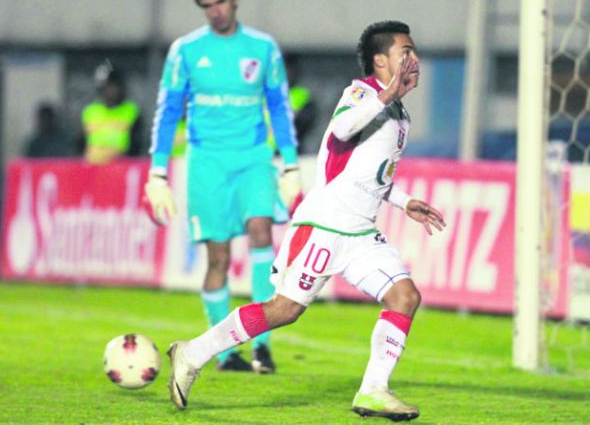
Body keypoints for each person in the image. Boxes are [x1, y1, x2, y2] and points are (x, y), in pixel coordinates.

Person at [165, 21, 445, 421]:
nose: (414, 59)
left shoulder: (399, 112)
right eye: (406, 52)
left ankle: (373, 391)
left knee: (405, 297)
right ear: (381, 61)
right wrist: (386, 94)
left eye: (414, 51)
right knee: (283, 310)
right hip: (324, 227)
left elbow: (369, 174)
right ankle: (192, 353)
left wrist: (403, 201)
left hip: (362, 234)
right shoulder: (360, 93)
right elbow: (342, 131)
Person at [144, 0, 302, 374]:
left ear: (234, 0)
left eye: (220, 2)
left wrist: (290, 164)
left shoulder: (263, 48)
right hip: (207, 163)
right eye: (207, 5)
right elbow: (167, 112)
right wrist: (157, 173)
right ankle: (225, 351)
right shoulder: (185, 50)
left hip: (252, 158)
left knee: (262, 233)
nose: (215, 12)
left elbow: (280, 107)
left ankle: (261, 347)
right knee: (217, 258)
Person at [80, 64, 143, 164]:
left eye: (112, 86)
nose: (109, 91)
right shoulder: (90, 111)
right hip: (93, 167)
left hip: (121, 166)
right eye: (105, 87)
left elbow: (137, 143)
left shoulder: (131, 110)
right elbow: (81, 142)